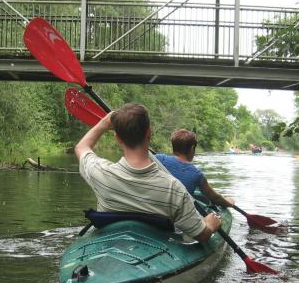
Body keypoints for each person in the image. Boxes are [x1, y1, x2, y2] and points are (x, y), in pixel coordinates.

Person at [75, 103, 222, 243]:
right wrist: (210, 225)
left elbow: (81, 147)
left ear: (117, 138)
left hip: (110, 242)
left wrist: (103, 124)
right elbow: (201, 235)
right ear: (149, 133)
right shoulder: (174, 189)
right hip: (158, 246)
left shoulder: (100, 172)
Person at [154, 129, 236, 209]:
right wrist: (229, 202)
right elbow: (215, 198)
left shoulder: (159, 159)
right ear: (192, 148)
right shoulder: (197, 175)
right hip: (175, 213)